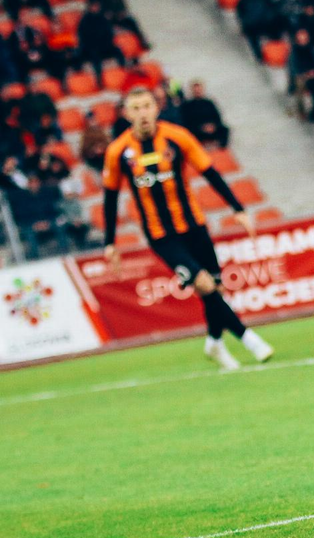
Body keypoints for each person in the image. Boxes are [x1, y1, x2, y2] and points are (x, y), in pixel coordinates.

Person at [101, 87, 273, 370]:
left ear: (156, 108)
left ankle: (215, 343)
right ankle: (249, 339)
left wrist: (238, 209)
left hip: (194, 226)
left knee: (215, 289)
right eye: (136, 108)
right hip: (161, 236)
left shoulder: (177, 137)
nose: (143, 113)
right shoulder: (118, 151)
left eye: (147, 106)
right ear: (127, 114)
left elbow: (211, 174)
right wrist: (110, 242)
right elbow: (110, 198)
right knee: (204, 284)